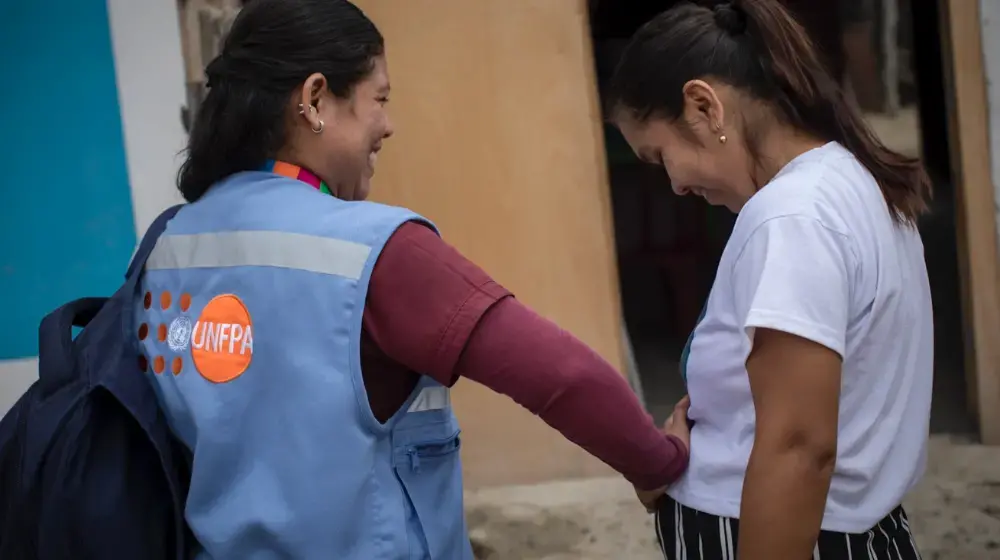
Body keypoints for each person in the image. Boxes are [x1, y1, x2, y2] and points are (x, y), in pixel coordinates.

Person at [132, 0, 690, 558]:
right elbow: (559, 374)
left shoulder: (167, 248)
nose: (388, 125)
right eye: (380, 99)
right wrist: (658, 462)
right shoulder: (375, 251)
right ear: (315, 99)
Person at [607, 0, 931, 558]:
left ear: (703, 105)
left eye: (660, 157)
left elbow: (798, 446)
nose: (676, 186)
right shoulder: (850, 183)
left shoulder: (791, 217)